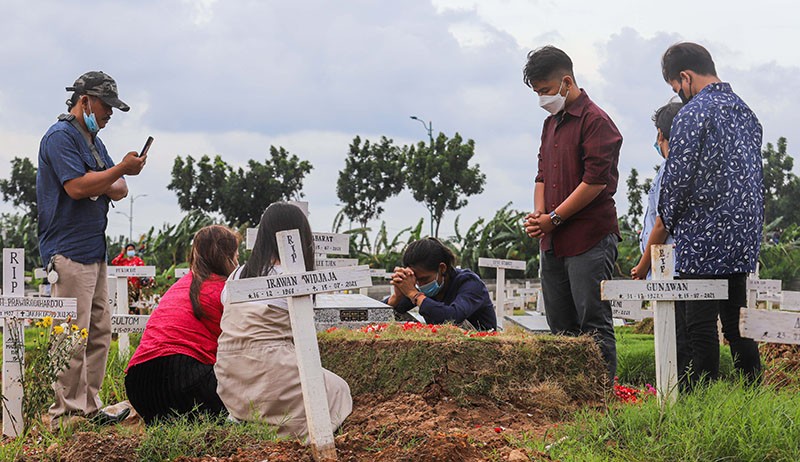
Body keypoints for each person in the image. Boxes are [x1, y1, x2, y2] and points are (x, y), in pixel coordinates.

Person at [37, 71, 147, 429]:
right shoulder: (60, 137)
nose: (109, 114)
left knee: (99, 331)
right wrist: (111, 174)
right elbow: (76, 187)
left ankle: (88, 406)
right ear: (84, 100)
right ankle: (63, 414)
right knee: (70, 334)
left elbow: (121, 188)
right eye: (106, 106)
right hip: (67, 251)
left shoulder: (93, 142)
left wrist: (108, 177)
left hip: (93, 250)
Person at [659, 42, 764, 386]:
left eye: (676, 88)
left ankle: (699, 402)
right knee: (737, 325)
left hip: (703, 240)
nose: (679, 95)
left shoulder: (693, 113)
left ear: (685, 77)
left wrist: (669, 220)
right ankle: (753, 392)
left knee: (699, 328)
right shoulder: (746, 112)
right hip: (741, 238)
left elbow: (677, 179)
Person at [522, 46, 622, 382]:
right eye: (537, 93)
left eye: (546, 91)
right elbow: (541, 176)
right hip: (553, 240)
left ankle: (602, 397)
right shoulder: (550, 124)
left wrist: (554, 218)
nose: (542, 99)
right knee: (560, 326)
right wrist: (540, 216)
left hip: (588, 238)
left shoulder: (597, 122)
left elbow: (594, 183)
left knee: (592, 321)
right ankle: (569, 397)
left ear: (566, 82)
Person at [214, 202, 352, 440]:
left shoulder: (239, 273)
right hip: (269, 366)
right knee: (336, 389)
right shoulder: (292, 278)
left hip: (228, 372)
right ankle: (305, 438)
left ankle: (248, 421)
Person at [125, 225, 240, 425]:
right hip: (186, 379)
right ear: (228, 257)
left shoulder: (179, 286)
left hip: (138, 386)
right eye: (236, 256)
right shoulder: (226, 290)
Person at [385, 237, 497, 331]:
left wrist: (414, 294)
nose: (420, 285)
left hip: (480, 344)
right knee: (395, 316)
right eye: (416, 281)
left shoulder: (469, 282)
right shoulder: (423, 286)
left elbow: (452, 317)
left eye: (424, 279)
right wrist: (396, 298)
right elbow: (382, 315)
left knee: (452, 324)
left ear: (442, 268)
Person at [630, 102, 682, 280]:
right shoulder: (690, 168)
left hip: (667, 267)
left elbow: (662, 225)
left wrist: (643, 266)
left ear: (661, 134)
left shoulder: (668, 169)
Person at [111, 243, 147, 312]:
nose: (130, 251)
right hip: (124, 287)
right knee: (123, 306)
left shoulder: (138, 261)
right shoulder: (123, 261)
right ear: (126, 251)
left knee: (135, 307)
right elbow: (114, 262)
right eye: (129, 250)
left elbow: (143, 272)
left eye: (132, 249)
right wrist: (122, 254)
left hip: (135, 288)